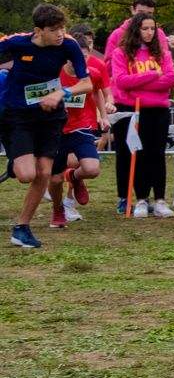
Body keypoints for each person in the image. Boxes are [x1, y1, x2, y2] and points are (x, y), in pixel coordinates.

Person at [4, 4, 92, 248]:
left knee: (44, 172)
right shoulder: (17, 43)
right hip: (18, 116)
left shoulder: (69, 45)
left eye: (62, 28)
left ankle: (22, 228)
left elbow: (86, 84)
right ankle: (16, 161)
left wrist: (61, 93)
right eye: (54, 30)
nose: (60, 34)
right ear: (38, 31)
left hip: (51, 117)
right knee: (26, 175)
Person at [108, 13, 174, 217]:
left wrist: (138, 82)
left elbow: (170, 79)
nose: (149, 33)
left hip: (159, 109)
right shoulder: (121, 53)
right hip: (135, 109)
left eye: (152, 29)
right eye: (145, 28)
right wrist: (152, 75)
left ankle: (160, 200)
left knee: (157, 154)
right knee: (139, 154)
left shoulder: (162, 53)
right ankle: (141, 199)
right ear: (136, 29)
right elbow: (122, 81)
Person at [52, 26, 109, 229]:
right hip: (56, 129)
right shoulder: (55, 72)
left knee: (92, 169)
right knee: (55, 178)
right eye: (76, 58)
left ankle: (73, 177)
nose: (80, 62)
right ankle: (58, 210)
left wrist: (103, 116)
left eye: (85, 58)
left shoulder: (91, 73)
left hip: (81, 126)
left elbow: (97, 91)